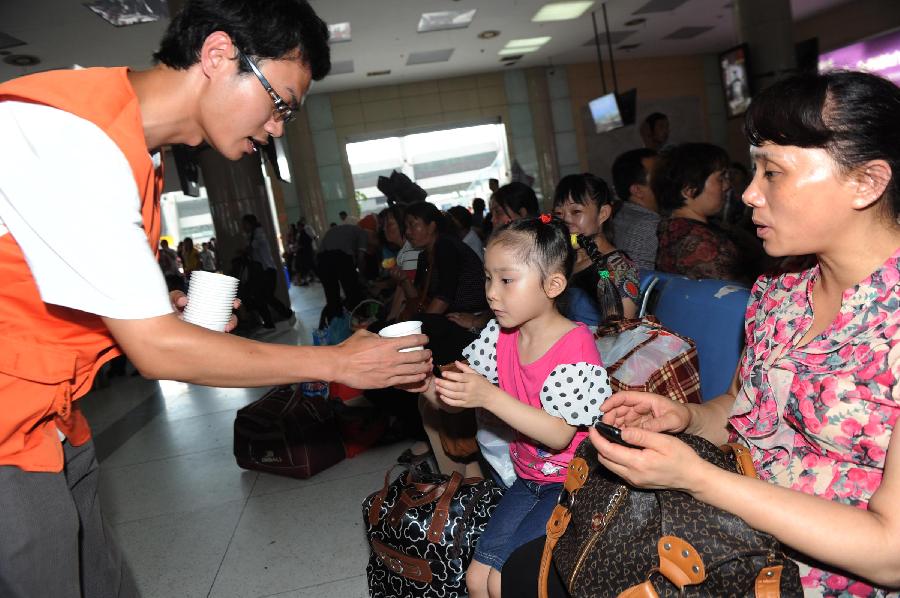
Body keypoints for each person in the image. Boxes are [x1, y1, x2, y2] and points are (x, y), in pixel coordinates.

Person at [0, 1, 432, 595]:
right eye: (280, 102)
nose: (278, 127)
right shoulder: (73, 139)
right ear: (218, 54)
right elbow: (155, 352)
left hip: (48, 426)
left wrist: (161, 310)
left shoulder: (131, 151)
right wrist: (338, 362)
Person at [503, 70, 900, 598]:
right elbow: (740, 407)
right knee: (537, 566)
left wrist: (697, 477)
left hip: (807, 575)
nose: (751, 194)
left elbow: (890, 554)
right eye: (753, 170)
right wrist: (686, 417)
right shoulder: (780, 290)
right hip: (726, 525)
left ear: (866, 183)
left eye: (773, 172)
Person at [424, 216, 611, 598]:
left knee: (503, 581)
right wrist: (422, 382)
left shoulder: (575, 349)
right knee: (477, 579)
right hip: (529, 479)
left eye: (506, 280)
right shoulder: (500, 334)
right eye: (488, 279)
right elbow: (456, 403)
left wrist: (488, 396)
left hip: (572, 482)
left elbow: (558, 434)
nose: (492, 293)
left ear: (553, 285)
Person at [654, 142, 755, 282]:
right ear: (689, 189)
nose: (727, 185)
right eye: (721, 178)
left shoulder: (672, 228)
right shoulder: (700, 244)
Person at [553, 173, 639, 325]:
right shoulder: (562, 260)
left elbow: (618, 336)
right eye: (559, 214)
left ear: (603, 214)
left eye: (576, 212)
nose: (565, 221)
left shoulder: (617, 268)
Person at [611, 148, 659, 273]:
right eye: (659, 176)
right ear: (637, 190)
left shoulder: (622, 212)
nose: (668, 181)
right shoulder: (651, 224)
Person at [241, 213, 293, 328]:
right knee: (262, 297)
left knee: (266, 296)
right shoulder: (252, 235)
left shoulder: (258, 233)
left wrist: (243, 251)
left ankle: (285, 314)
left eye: (245, 224)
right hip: (263, 271)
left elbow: (251, 248)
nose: (243, 226)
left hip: (267, 270)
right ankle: (270, 322)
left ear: (250, 223)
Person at [316, 216, 368, 319]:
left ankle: (336, 323)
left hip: (321, 259)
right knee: (352, 292)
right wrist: (362, 277)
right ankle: (359, 320)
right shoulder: (362, 232)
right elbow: (361, 258)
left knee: (332, 296)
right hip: (340, 256)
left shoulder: (335, 230)